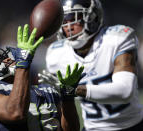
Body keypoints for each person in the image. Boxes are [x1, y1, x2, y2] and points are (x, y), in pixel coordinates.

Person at [38, 0, 143, 130]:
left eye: (73, 18)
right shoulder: (56, 53)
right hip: (92, 128)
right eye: (63, 20)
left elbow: (125, 91)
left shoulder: (116, 38)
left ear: (93, 17)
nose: (68, 26)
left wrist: (73, 90)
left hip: (131, 125)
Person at [0, 24, 81, 131]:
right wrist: (22, 63)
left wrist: (68, 96)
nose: (9, 59)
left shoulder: (46, 90)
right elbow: (15, 112)